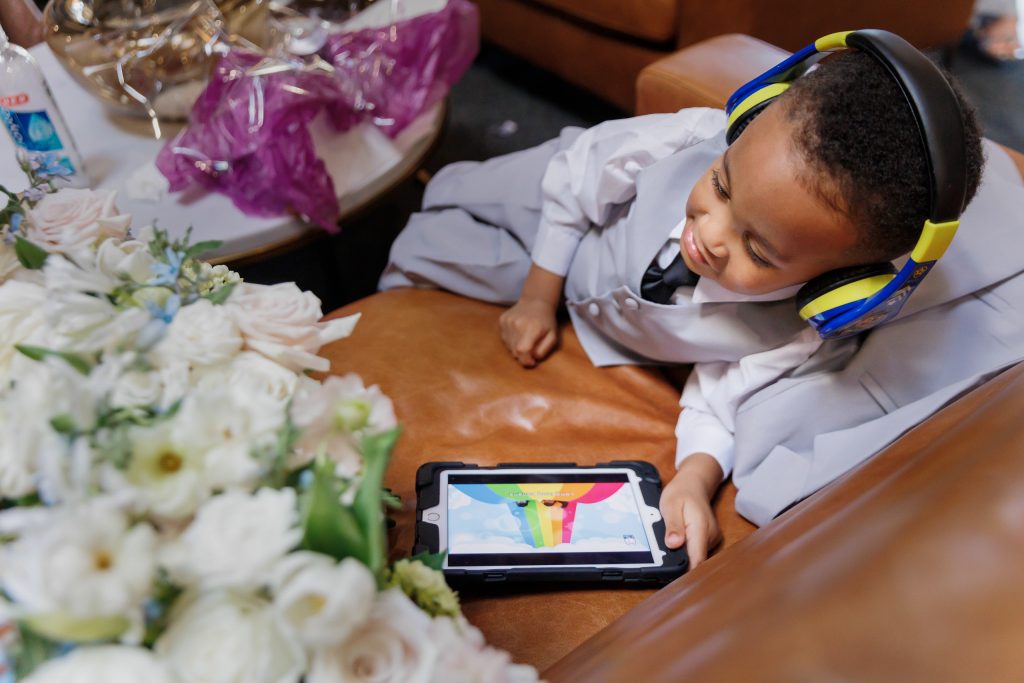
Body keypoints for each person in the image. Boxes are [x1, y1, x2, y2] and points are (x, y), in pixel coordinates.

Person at [380, 41, 1017, 569]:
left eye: (759, 251)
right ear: (747, 117)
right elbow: (574, 182)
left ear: (844, 281)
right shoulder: (678, 139)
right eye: (721, 184)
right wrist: (537, 299)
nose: (711, 235)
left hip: (619, 325)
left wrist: (695, 476)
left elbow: (720, 394)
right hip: (561, 240)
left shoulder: (801, 328)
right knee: (434, 236)